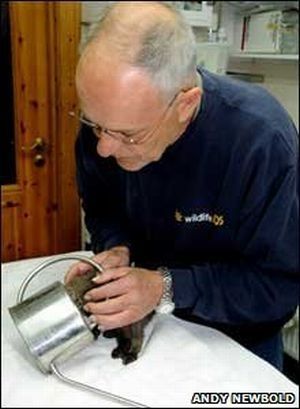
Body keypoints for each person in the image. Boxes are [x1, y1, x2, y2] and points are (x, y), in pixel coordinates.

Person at [66, 1, 299, 371]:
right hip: (150, 325)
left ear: (185, 105)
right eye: (94, 124)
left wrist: (164, 287)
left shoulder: (261, 141)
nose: (103, 148)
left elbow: (275, 288)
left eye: (128, 136)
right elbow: (102, 207)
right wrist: (115, 247)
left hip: (237, 343)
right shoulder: (109, 119)